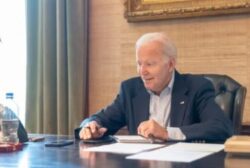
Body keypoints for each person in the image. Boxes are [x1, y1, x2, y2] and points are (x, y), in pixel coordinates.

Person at [77, 32, 233, 142]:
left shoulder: (197, 87)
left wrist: (167, 133)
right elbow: (99, 119)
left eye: (150, 64)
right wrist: (90, 127)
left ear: (170, 64)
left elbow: (221, 127)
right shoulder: (130, 89)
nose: (142, 71)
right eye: (139, 64)